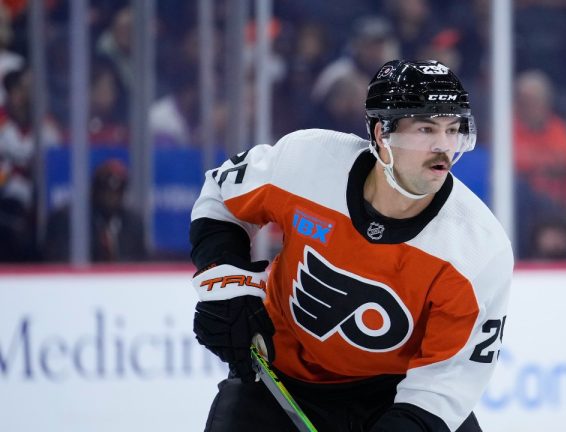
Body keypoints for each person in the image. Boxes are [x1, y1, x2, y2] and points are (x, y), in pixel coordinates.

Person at [189, 59, 513, 432]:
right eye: (426, 129)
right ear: (381, 134)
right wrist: (226, 284)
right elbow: (221, 195)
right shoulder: (308, 162)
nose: (444, 147)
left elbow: (447, 382)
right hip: (280, 382)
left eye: (453, 130)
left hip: (393, 395)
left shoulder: (476, 248)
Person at [45, 159, 147, 262]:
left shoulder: (133, 223)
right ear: (94, 189)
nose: (110, 197)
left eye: (117, 192)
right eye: (104, 190)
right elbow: (60, 262)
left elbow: (139, 262)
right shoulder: (68, 220)